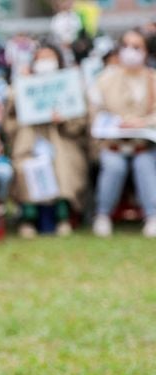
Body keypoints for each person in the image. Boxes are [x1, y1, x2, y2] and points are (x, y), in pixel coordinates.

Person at [4, 44, 89, 238]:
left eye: (49, 57)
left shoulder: (69, 85)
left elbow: (80, 124)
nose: (45, 62)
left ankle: (62, 217)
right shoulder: (22, 85)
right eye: (41, 58)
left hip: (62, 141)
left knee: (64, 167)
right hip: (29, 141)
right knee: (25, 168)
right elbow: (9, 122)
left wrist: (63, 120)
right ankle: (28, 218)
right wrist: (20, 89)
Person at [89, 29, 156, 238]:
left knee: (144, 165)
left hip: (145, 144)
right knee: (114, 167)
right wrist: (115, 123)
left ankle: (152, 216)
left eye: (136, 47)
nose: (130, 52)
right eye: (126, 46)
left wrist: (143, 122)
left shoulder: (152, 79)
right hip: (112, 143)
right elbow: (95, 110)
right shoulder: (105, 79)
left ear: (146, 51)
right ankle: (103, 215)